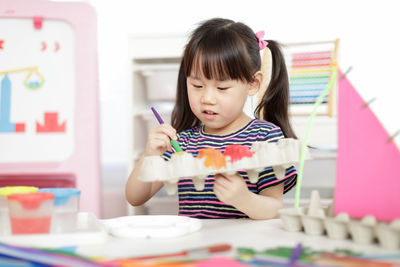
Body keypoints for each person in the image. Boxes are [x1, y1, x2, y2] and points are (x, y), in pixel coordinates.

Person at [126, 18, 297, 219]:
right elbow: (135, 197)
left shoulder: (265, 138)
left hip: (242, 248)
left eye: (222, 88)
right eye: (197, 86)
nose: (207, 99)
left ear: (252, 83)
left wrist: (243, 199)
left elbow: (275, 208)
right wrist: (150, 156)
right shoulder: (182, 143)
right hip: (196, 247)